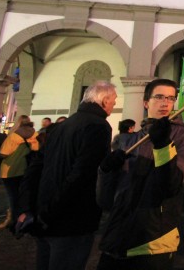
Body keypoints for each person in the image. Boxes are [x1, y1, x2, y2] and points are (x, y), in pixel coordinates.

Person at [96, 78, 184, 269]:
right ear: (146, 102)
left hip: (153, 239)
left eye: (171, 98)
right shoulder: (128, 140)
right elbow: (106, 200)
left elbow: (171, 185)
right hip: (117, 236)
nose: (165, 102)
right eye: (159, 97)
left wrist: (162, 145)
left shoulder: (182, 136)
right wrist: (104, 172)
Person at [17, 81, 115, 270]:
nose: (113, 105)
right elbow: (82, 174)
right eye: (113, 101)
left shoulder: (63, 125)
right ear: (104, 101)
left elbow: (35, 167)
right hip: (71, 217)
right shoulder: (99, 126)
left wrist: (28, 208)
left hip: (44, 212)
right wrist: (50, 211)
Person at [0, 114, 39, 229]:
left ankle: (14, 220)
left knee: (13, 196)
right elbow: (37, 150)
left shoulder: (14, 136)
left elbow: (3, 153)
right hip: (27, 169)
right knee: (25, 195)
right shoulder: (36, 134)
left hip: (11, 169)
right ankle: (25, 219)